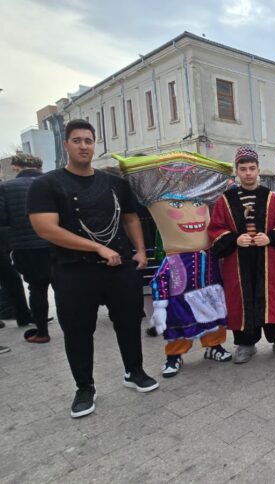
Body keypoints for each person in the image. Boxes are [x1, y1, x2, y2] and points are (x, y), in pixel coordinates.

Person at [28, 119, 158, 419]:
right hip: (73, 271)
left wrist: (139, 250)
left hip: (120, 268)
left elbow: (130, 218)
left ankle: (134, 371)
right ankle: (84, 387)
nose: (83, 146)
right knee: (77, 331)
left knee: (127, 322)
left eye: (88, 140)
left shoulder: (114, 183)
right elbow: (46, 228)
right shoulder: (46, 184)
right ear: (66, 145)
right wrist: (97, 247)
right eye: (77, 140)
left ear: (94, 143)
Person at [117, 151, 235, 377]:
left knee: (215, 316)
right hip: (180, 287)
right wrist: (159, 307)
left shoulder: (205, 199)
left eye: (200, 204)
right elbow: (159, 280)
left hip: (208, 274)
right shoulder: (158, 199)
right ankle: (174, 356)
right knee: (177, 321)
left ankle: (214, 346)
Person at [211, 147, 275, 363]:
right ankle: (246, 343)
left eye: (252, 168)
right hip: (237, 260)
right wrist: (234, 239)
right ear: (236, 171)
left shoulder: (272, 199)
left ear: (258, 170)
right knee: (241, 298)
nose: (248, 173)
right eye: (243, 169)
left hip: (268, 258)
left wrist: (271, 237)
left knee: (272, 296)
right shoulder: (225, 200)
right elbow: (215, 229)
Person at [0, 154, 51, 342]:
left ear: (16, 167)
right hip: (56, 243)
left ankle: (42, 332)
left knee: (37, 288)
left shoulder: (5, 187)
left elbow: (2, 218)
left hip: (25, 247)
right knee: (63, 288)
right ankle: (76, 329)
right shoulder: (53, 182)